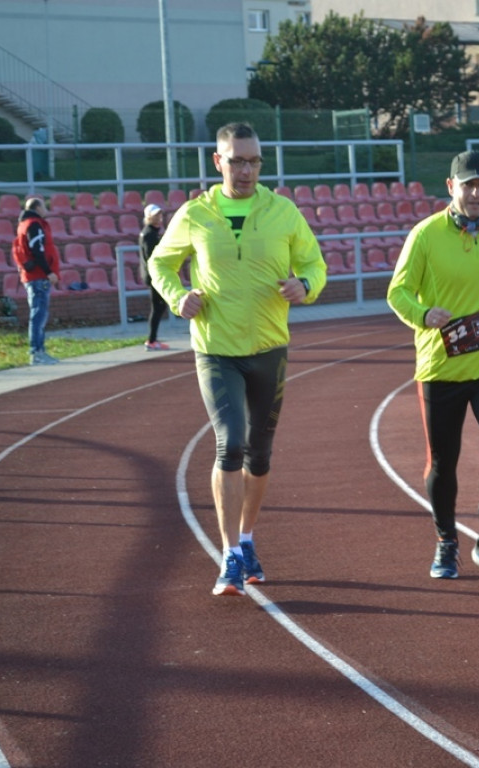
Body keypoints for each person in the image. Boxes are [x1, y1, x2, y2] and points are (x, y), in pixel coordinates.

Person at [148, 122, 327, 597]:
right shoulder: (196, 214)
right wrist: (177, 296)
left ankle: (246, 538)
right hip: (216, 348)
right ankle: (229, 554)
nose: (246, 170)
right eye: (237, 161)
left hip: (269, 347)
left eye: (254, 161)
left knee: (259, 454)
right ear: (218, 162)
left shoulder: (282, 211)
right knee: (230, 444)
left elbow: (314, 264)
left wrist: (305, 285)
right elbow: (160, 262)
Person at [387, 150, 479, 587]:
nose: (476, 193)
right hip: (441, 367)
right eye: (468, 185)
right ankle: (446, 541)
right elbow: (397, 292)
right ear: (451, 187)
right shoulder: (425, 235)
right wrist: (423, 314)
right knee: (442, 463)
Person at [11, 196, 61, 365]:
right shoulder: (34, 224)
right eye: (44, 206)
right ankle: (37, 352)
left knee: (38, 313)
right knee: (39, 315)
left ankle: (39, 351)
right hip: (38, 276)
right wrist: (49, 272)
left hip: (32, 276)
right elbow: (38, 251)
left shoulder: (24, 224)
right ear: (38, 208)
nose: (46, 209)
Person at [138, 203, 170, 351]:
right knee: (158, 307)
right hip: (153, 275)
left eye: (159, 214)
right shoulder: (149, 234)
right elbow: (151, 256)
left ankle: (152, 339)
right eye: (155, 215)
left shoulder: (152, 232)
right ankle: (151, 340)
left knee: (159, 306)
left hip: (153, 274)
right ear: (149, 217)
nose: (159, 217)